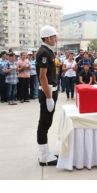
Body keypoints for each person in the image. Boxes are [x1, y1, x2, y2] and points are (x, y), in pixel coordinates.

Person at [36, 25, 59, 166]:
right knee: (44, 124)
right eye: (53, 36)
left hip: (51, 90)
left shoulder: (48, 51)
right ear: (46, 37)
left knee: (47, 122)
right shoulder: (44, 52)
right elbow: (42, 77)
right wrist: (49, 97)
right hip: (47, 91)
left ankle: (45, 152)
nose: (55, 38)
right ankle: (44, 156)